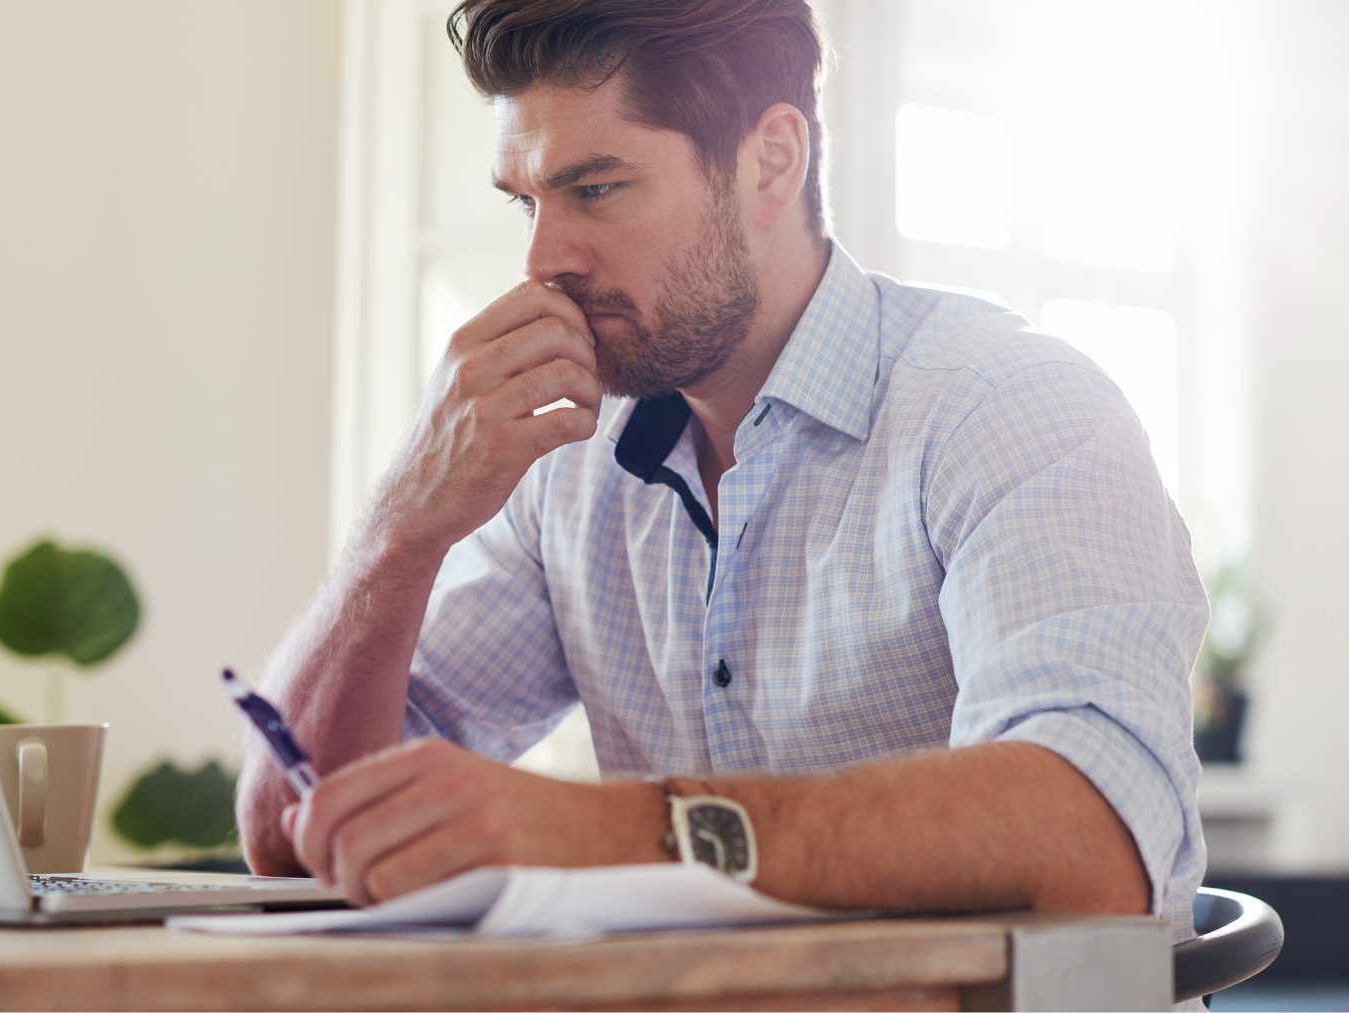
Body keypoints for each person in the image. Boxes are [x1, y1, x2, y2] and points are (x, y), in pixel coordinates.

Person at [237, 0, 1208, 948]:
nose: (542, 260)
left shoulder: (1009, 405)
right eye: (525, 202)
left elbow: (1094, 832)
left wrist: (602, 835)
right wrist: (404, 522)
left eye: (596, 188)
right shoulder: (568, 466)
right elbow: (294, 823)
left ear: (771, 162)